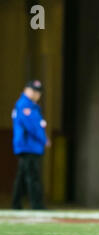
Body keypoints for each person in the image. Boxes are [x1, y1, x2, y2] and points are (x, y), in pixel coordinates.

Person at [11, 80, 49, 210]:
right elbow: (32, 126)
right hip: (29, 146)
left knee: (22, 177)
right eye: (34, 90)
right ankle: (37, 205)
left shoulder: (30, 106)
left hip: (28, 146)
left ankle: (16, 204)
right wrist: (44, 139)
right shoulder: (25, 106)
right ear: (26, 90)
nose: (37, 94)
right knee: (33, 177)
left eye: (38, 91)